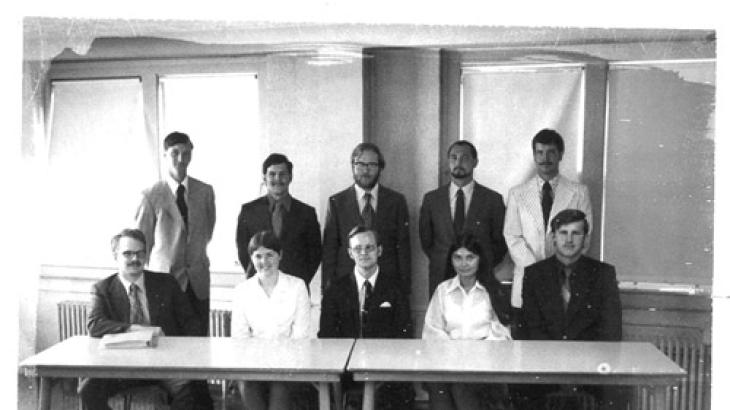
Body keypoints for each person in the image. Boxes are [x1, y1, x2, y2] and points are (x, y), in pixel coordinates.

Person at [79, 229, 202, 410]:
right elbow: (94, 325)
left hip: (164, 362)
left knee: (188, 390)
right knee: (88, 390)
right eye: (127, 254)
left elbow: (192, 324)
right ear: (115, 256)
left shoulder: (167, 283)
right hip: (120, 365)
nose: (135, 259)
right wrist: (136, 329)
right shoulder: (102, 288)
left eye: (139, 253)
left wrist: (180, 353)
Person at [520, 209, 622, 409]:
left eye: (576, 233)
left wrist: (580, 370)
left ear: (585, 239)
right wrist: (556, 371)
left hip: (591, 372)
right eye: (563, 233)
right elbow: (532, 330)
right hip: (545, 370)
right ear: (553, 238)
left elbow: (611, 331)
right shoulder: (534, 274)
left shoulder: (603, 274)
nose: (569, 239)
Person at [503, 128, 592, 338]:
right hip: (527, 280)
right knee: (525, 349)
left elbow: (584, 237)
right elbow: (512, 236)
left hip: (565, 280)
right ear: (534, 155)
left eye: (551, 152)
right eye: (540, 152)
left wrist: (556, 268)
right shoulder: (517, 193)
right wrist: (538, 271)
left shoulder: (579, 192)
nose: (545, 158)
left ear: (561, 155)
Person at [319, 225, 414, 409]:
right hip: (346, 370)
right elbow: (326, 336)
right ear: (349, 253)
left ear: (379, 250)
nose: (363, 253)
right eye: (357, 248)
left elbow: (405, 335)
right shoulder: (335, 289)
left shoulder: (396, 287)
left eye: (369, 247)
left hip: (386, 369)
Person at [135, 131, 216, 337]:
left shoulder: (205, 191)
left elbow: (207, 232)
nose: (181, 159)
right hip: (165, 283)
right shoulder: (151, 195)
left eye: (186, 153)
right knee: (168, 345)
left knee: (199, 344)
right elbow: (140, 244)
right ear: (165, 155)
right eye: (175, 153)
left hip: (197, 283)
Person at [422, 234, 512, 410]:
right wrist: (456, 357)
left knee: (462, 387)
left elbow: (501, 333)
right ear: (451, 260)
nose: (464, 264)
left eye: (470, 257)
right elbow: (432, 331)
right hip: (447, 363)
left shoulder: (492, 292)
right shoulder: (443, 290)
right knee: (444, 388)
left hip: (483, 366)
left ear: (480, 259)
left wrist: (473, 357)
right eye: (458, 257)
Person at [231, 230, 311, 410]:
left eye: (270, 255)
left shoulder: (297, 286)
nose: (264, 262)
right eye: (258, 256)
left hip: (287, 365)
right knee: (248, 388)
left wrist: (279, 364)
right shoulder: (242, 291)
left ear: (280, 255)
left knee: (279, 394)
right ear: (251, 258)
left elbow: (301, 337)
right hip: (253, 366)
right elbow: (240, 338)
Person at [419, 140, 508, 298]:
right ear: (448, 162)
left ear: (475, 162)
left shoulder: (492, 200)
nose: (458, 163)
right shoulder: (432, 199)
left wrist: (482, 263)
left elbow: (500, 243)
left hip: (481, 277)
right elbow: (427, 241)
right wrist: (444, 259)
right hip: (441, 276)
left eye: (464, 158)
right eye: (453, 158)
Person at [322, 142, 411, 295]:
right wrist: (327, 291)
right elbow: (329, 251)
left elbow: (403, 250)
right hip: (346, 285)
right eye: (360, 164)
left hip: (387, 284)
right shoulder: (336, 203)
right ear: (352, 166)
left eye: (372, 164)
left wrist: (404, 289)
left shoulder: (396, 201)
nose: (366, 170)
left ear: (380, 168)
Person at [236, 153, 322, 288]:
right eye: (272, 174)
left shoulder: (307, 213)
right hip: (259, 288)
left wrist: (299, 281)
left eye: (282, 174)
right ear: (264, 178)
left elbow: (315, 255)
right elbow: (243, 252)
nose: (277, 179)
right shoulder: (249, 211)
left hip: (294, 288)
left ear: (290, 177)